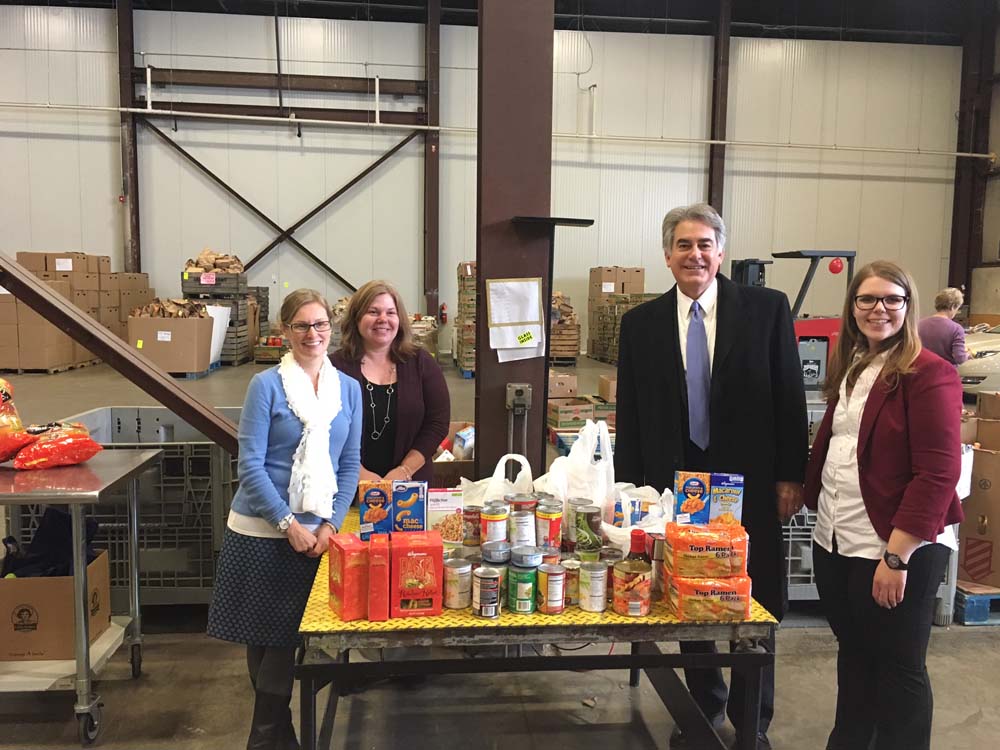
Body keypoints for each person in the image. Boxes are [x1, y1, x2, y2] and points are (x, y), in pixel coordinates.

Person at [615, 203, 808, 750]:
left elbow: (791, 398)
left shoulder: (768, 311)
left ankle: (754, 719)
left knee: (759, 598)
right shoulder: (640, 324)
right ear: (667, 255)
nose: (694, 255)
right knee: (690, 594)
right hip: (676, 488)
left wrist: (791, 476)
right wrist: (632, 486)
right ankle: (702, 707)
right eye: (683, 245)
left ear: (720, 252)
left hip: (753, 482)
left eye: (704, 244)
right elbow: (629, 412)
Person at [804, 261, 963, 750]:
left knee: (898, 667)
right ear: (852, 310)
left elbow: (938, 473)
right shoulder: (854, 365)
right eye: (867, 299)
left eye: (892, 299)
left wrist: (896, 556)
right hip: (837, 536)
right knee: (855, 655)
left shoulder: (929, 374)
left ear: (909, 306)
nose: (879, 309)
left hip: (896, 545)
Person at [207, 289, 362, 750]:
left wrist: (330, 525)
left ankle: (269, 739)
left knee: (281, 639)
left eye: (320, 325)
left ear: (331, 330)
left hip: (317, 531)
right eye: (301, 325)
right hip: (262, 530)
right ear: (285, 332)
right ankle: (275, 738)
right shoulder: (266, 386)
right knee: (267, 641)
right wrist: (286, 524)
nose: (312, 334)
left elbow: (349, 464)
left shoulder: (347, 389)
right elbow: (249, 464)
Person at [331, 280, 449, 485]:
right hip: (346, 488)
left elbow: (437, 423)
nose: (383, 319)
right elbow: (324, 429)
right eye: (373, 312)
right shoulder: (334, 368)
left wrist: (404, 470)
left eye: (390, 313)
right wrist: (359, 475)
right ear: (356, 318)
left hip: (411, 487)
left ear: (399, 319)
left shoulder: (421, 363)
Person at [918, 287, 969, 365]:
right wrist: (968, 355)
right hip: (945, 372)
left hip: (922, 371)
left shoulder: (919, 324)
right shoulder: (957, 329)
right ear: (953, 307)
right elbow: (960, 358)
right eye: (957, 308)